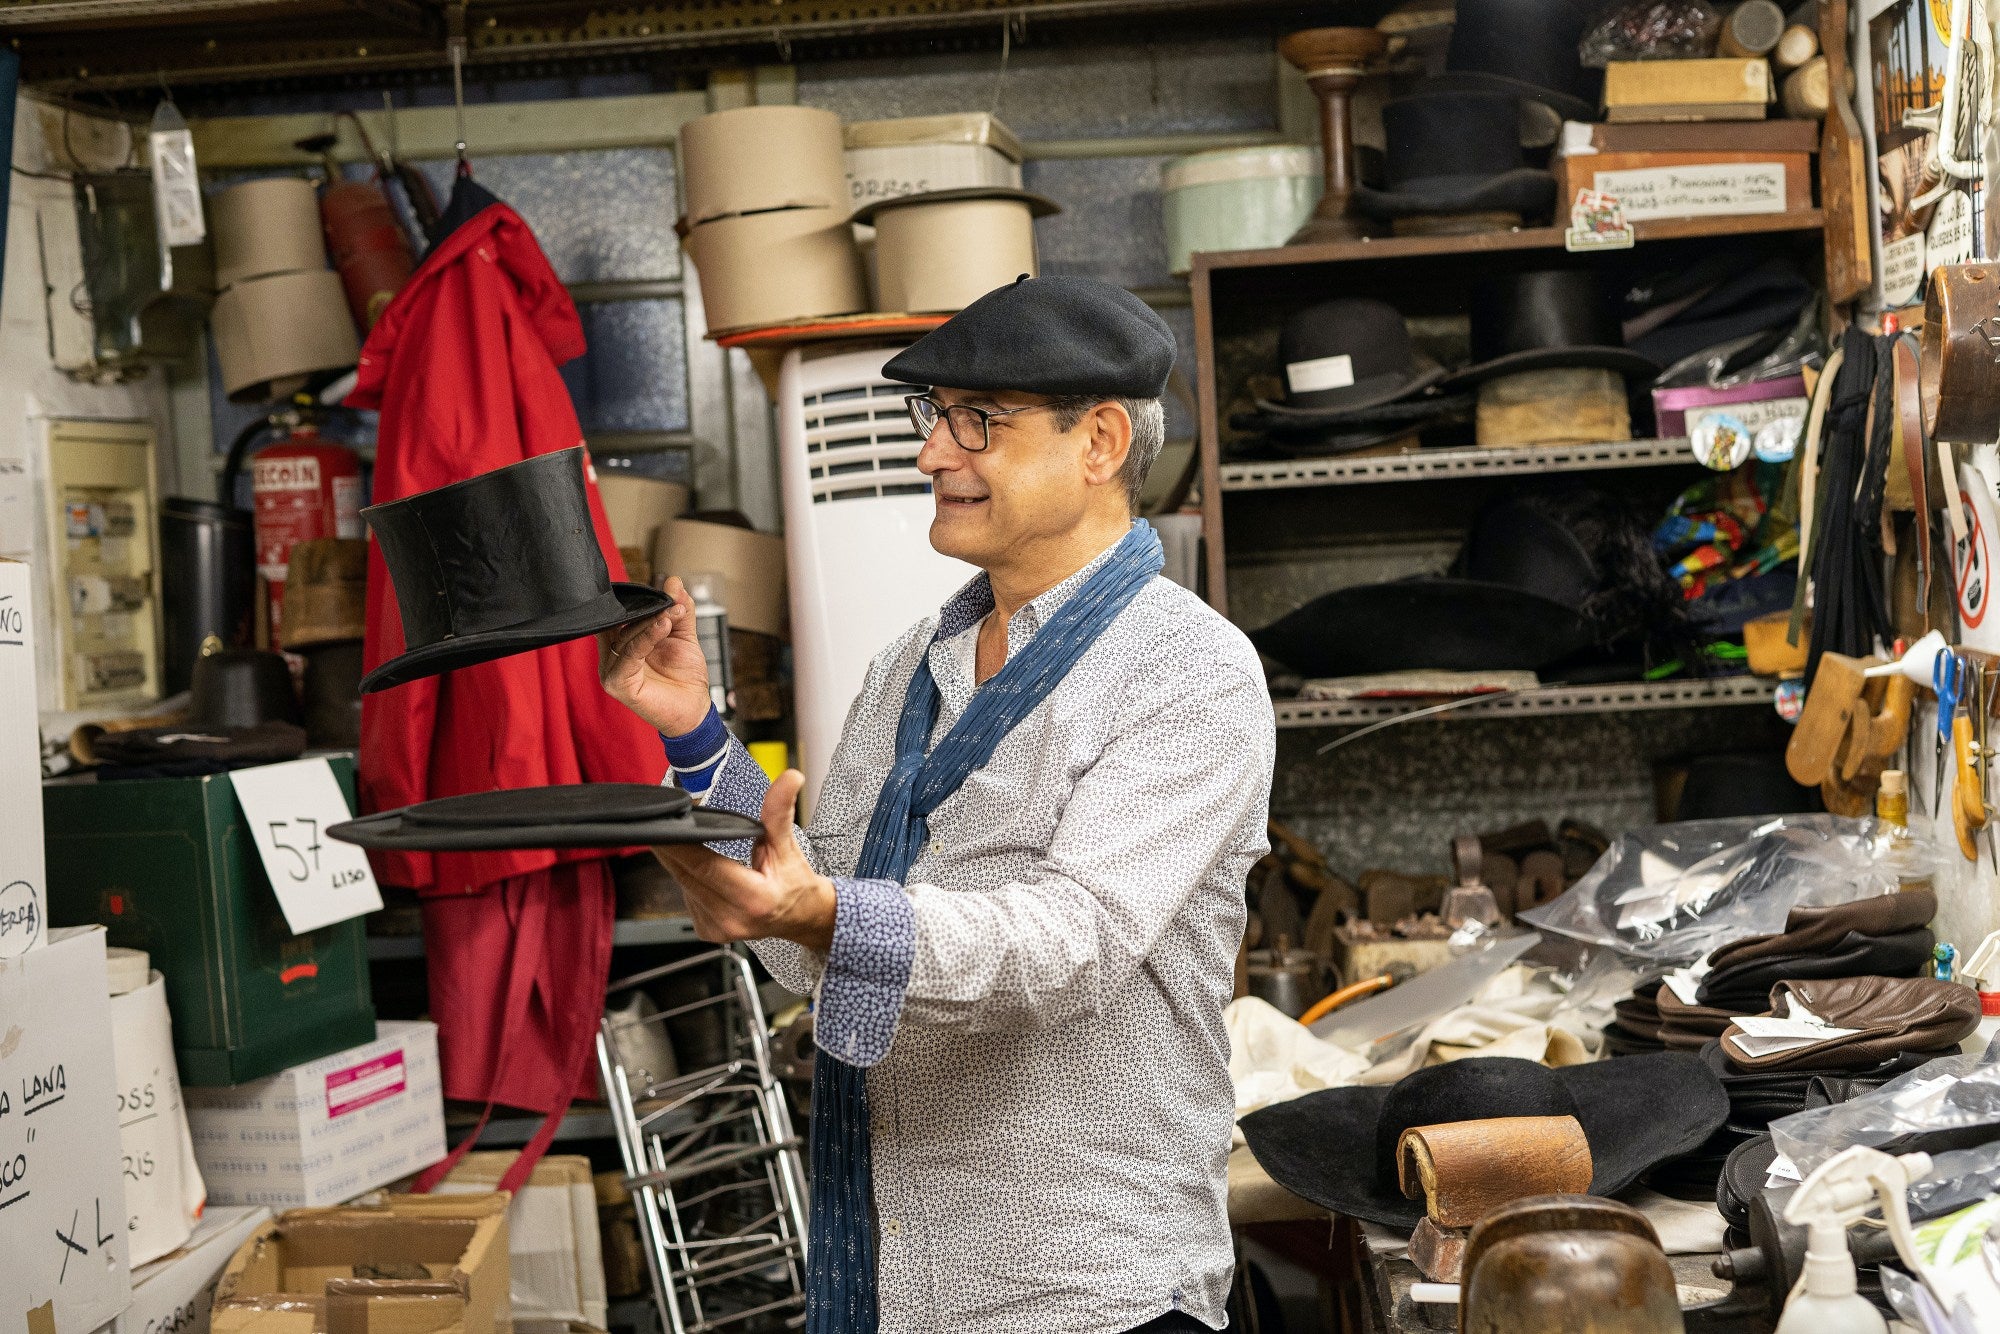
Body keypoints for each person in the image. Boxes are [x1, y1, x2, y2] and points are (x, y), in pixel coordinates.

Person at [599, 275, 1275, 1334]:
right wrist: (692, 732)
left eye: (977, 421)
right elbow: (808, 928)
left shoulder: (1188, 673)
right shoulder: (908, 667)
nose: (930, 453)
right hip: (897, 1283)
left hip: (1085, 1294)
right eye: (934, 417)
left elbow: (1069, 942)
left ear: (1097, 441)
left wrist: (821, 913)